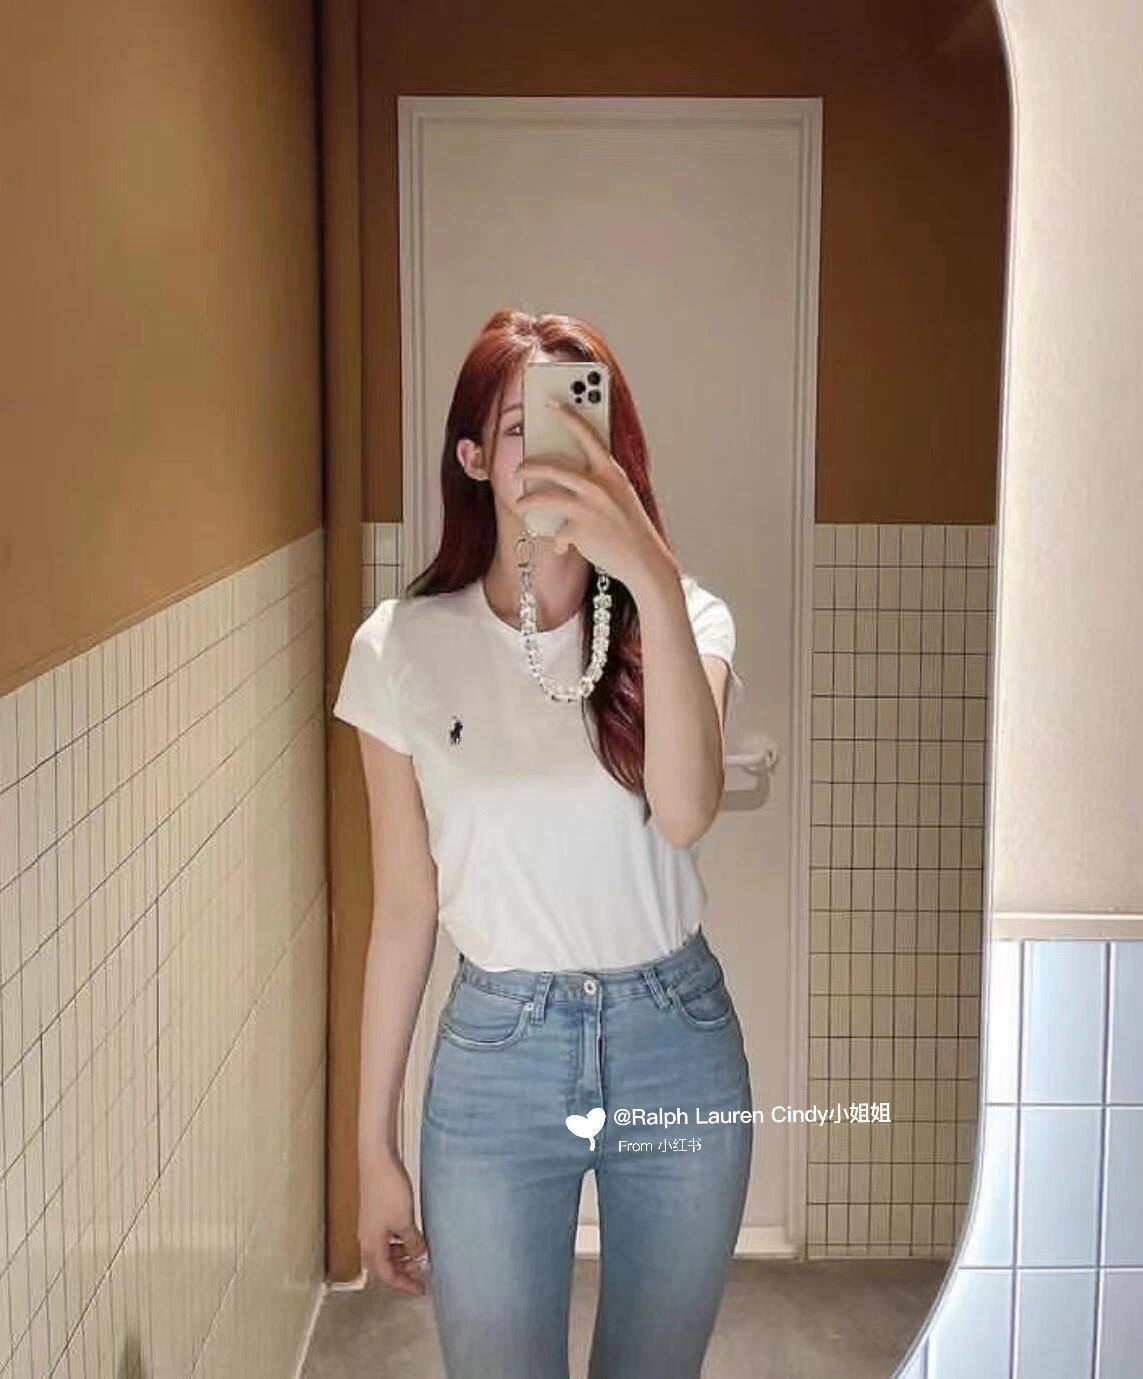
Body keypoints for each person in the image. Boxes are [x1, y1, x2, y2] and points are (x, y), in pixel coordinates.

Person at [332, 307, 754, 1379]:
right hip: (497, 1053)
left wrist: (646, 568)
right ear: (473, 458)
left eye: (578, 423)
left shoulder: (687, 619)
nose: (553, 453)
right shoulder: (399, 647)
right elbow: (402, 910)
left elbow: (686, 811)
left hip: (674, 1040)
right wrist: (371, 1146)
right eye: (521, 428)